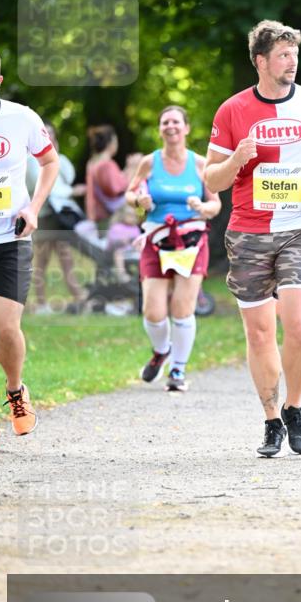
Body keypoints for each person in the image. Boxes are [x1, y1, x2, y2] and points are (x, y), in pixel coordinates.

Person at [205, 19, 301, 458]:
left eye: (294, 54)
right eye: (283, 55)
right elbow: (212, 181)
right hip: (249, 231)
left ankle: (295, 407)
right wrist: (237, 157)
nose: (292, 62)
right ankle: (272, 420)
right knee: (258, 335)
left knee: (299, 326)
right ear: (260, 61)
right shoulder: (231, 110)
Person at [0, 47, 59, 452]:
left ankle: (16, 390)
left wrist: (33, 208)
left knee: (4, 328)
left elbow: (50, 163)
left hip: (10, 240)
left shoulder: (22, 118)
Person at [126, 105, 221, 392]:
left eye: (176, 122)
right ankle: (162, 350)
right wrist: (138, 201)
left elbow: (216, 205)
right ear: (160, 129)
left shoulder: (201, 164)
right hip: (156, 240)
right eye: (165, 122)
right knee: (153, 312)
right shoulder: (149, 163)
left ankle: (178, 370)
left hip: (191, 241)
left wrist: (201, 207)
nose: (171, 126)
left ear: (186, 128)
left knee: (182, 308)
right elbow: (130, 193)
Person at [26, 121, 87, 313]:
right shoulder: (31, 161)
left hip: (57, 216)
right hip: (44, 216)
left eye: (51, 133)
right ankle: (45, 302)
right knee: (44, 259)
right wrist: (71, 192)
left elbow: (67, 176)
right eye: (45, 132)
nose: (49, 136)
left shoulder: (58, 158)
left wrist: (55, 157)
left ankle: (78, 297)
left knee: (63, 256)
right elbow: (43, 186)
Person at [85, 125, 139, 228]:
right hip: (111, 216)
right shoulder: (107, 164)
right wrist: (133, 167)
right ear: (111, 142)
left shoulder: (92, 163)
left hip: (96, 213)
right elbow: (116, 189)